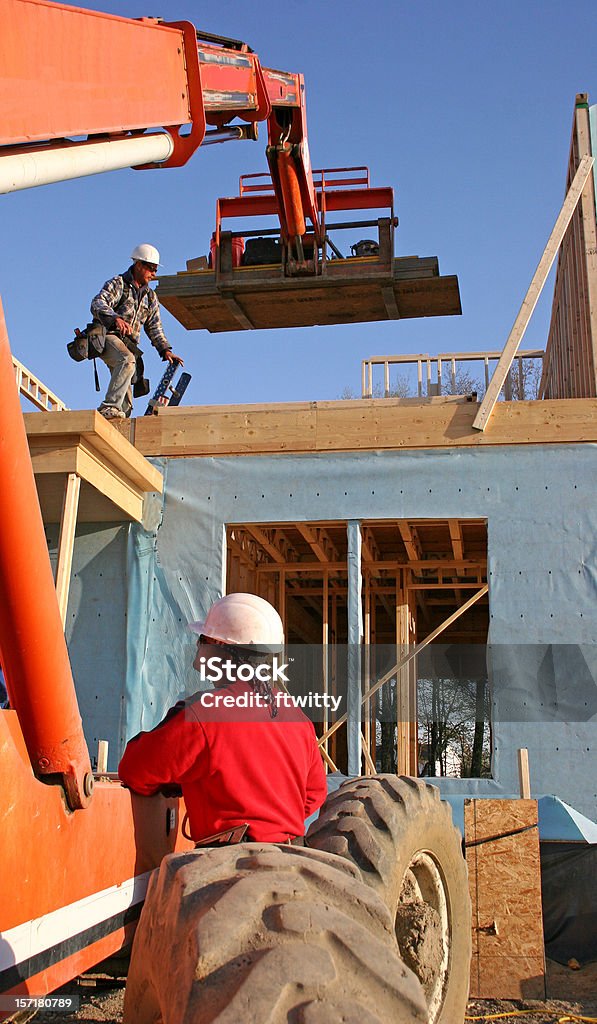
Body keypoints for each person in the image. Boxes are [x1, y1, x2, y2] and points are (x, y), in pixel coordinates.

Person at [118, 593, 327, 845]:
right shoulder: (296, 717)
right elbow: (314, 794)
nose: (198, 650)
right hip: (289, 858)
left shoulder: (203, 714)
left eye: (202, 641)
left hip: (228, 864)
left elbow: (135, 770)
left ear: (220, 649)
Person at [91, 244, 184, 420]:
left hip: (127, 345)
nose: (154, 273)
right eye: (152, 269)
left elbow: (154, 327)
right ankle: (108, 407)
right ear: (139, 265)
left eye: (156, 270)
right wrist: (115, 318)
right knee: (127, 360)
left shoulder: (150, 297)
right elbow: (97, 303)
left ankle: (114, 429)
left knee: (126, 406)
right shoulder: (119, 284)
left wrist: (165, 350)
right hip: (106, 336)